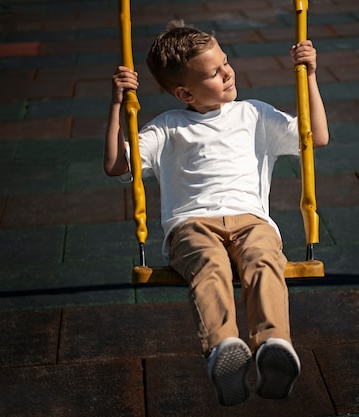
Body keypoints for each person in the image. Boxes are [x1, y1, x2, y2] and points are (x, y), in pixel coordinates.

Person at [104, 20, 328, 406]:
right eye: (214, 72)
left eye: (225, 62)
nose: (227, 73)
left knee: (263, 258)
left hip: (251, 221)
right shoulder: (167, 129)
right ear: (184, 91)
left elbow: (315, 136)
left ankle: (274, 345)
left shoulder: (254, 114)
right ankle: (224, 349)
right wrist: (117, 104)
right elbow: (116, 165)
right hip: (191, 226)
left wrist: (309, 76)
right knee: (210, 265)